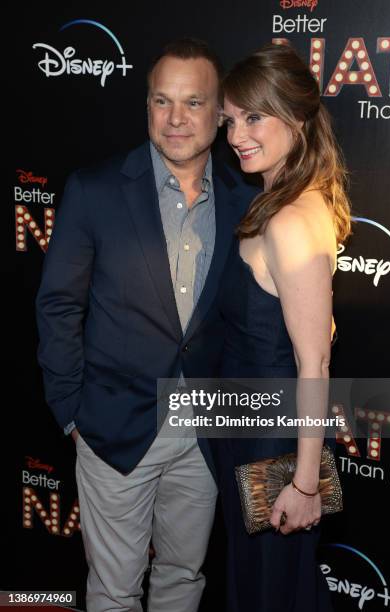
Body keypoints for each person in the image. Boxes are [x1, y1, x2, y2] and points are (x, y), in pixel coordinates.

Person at [35, 38, 256, 612]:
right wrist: (71, 415)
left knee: (184, 578)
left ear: (219, 112)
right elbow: (59, 304)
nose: (176, 119)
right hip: (112, 427)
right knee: (114, 590)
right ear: (147, 106)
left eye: (193, 102)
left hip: (204, 433)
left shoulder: (245, 201)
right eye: (162, 101)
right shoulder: (96, 188)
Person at [211, 42, 352, 611]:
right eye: (229, 120)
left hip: (272, 441)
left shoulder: (292, 219)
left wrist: (304, 482)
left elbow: (314, 364)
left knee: (270, 592)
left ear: (295, 118)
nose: (235, 135)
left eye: (252, 117)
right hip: (249, 428)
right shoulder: (278, 198)